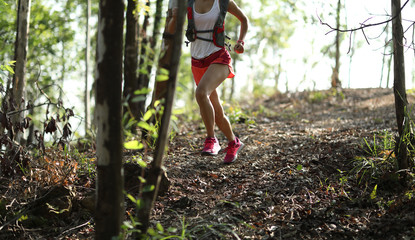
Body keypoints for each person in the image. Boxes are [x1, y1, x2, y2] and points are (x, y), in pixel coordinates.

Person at [187, 0, 249, 163]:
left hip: (218, 57)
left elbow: (244, 19)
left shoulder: (223, 2)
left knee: (201, 94)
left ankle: (211, 139)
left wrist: (240, 41)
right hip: (197, 61)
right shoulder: (189, 3)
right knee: (216, 112)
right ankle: (233, 142)